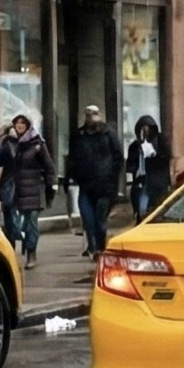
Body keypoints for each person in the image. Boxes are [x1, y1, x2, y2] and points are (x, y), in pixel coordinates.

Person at [0, 113, 55, 268]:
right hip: (13, 189)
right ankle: (11, 254)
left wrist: (51, 185)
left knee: (31, 224)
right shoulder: (10, 143)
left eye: (23, 124)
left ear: (28, 126)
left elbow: (48, 165)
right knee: (11, 224)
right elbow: (0, 160)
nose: (19, 126)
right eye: (17, 124)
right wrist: (3, 135)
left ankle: (31, 254)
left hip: (32, 189)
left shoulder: (37, 143)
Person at [67, 104, 122, 255]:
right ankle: (92, 244)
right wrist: (71, 178)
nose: (91, 117)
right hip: (85, 185)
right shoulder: (79, 135)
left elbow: (118, 157)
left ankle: (99, 247)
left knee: (100, 219)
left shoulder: (108, 134)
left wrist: (113, 181)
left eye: (94, 114)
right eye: (89, 114)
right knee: (87, 218)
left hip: (105, 186)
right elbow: (72, 158)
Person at [125, 115, 173, 220]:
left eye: (147, 130)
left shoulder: (160, 141)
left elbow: (167, 156)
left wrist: (154, 154)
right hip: (141, 182)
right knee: (142, 210)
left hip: (157, 181)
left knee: (157, 209)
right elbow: (130, 164)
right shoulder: (134, 146)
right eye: (142, 130)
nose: (145, 133)